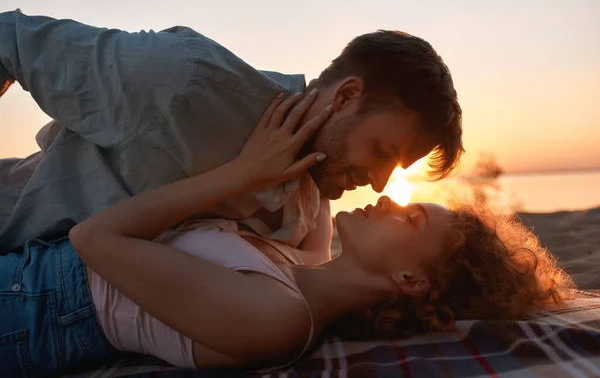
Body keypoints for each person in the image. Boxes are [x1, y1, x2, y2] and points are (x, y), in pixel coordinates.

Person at [0, 95, 570, 377]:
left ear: (409, 279)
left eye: (413, 218)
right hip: (26, 271)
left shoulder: (281, 320)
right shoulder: (303, 260)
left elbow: (96, 240)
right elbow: (320, 158)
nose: (392, 196)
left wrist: (240, 175)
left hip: (28, 312)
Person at [0, 9, 463, 255]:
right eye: (382, 150)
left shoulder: (310, 196)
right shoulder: (187, 81)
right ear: (343, 98)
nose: (380, 183)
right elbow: (10, 38)